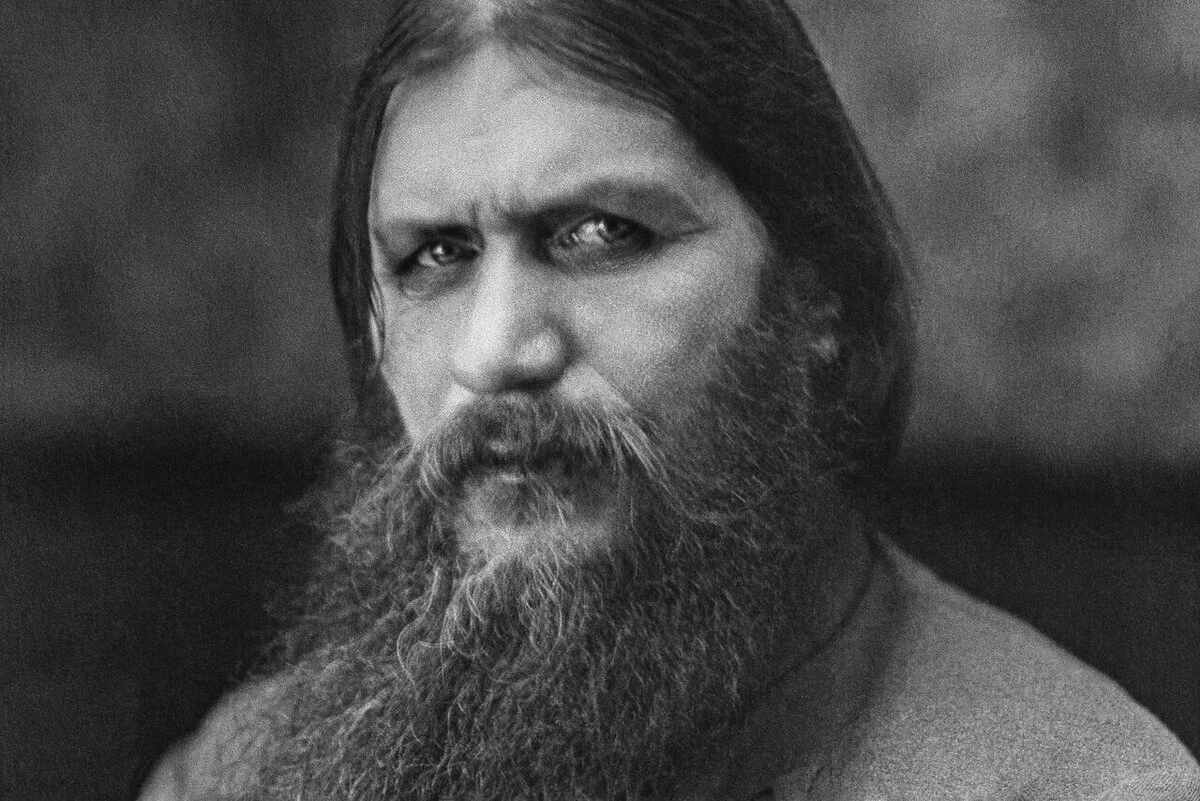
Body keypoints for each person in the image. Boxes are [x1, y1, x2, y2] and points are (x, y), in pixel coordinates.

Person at [139, 0, 1200, 798]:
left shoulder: (1086, 785)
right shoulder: (239, 775)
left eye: (603, 234)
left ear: (815, 295)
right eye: (437, 255)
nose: (495, 351)